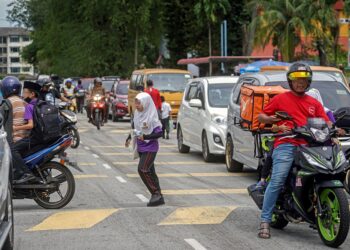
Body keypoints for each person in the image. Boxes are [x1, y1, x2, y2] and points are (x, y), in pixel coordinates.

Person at [257, 62, 332, 239]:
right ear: (290, 82)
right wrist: (274, 122)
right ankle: (265, 221)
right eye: (296, 80)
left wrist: (332, 128)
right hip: (286, 143)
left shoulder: (314, 103)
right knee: (278, 179)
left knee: (327, 171)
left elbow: (325, 121)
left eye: (304, 80)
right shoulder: (281, 99)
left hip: (310, 144)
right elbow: (261, 116)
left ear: (309, 82)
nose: (300, 83)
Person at [125, 92, 164, 207]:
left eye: (139, 103)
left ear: (146, 103)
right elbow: (134, 127)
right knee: (151, 172)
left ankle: (155, 193)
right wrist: (128, 138)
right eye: (136, 103)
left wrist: (146, 137)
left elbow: (160, 133)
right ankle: (159, 196)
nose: (137, 105)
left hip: (150, 148)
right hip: (141, 147)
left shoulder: (152, 117)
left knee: (142, 169)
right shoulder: (137, 114)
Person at [0, 77, 35, 183]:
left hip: (16, 137)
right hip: (26, 136)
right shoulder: (23, 101)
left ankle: (26, 172)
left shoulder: (7, 103)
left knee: (8, 150)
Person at [12, 81, 42, 183]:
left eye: (25, 92)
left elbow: (31, 125)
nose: (23, 95)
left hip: (34, 138)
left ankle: (27, 173)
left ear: (32, 94)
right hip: (42, 136)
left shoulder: (29, 106)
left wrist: (14, 128)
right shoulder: (40, 103)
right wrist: (19, 126)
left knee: (12, 149)